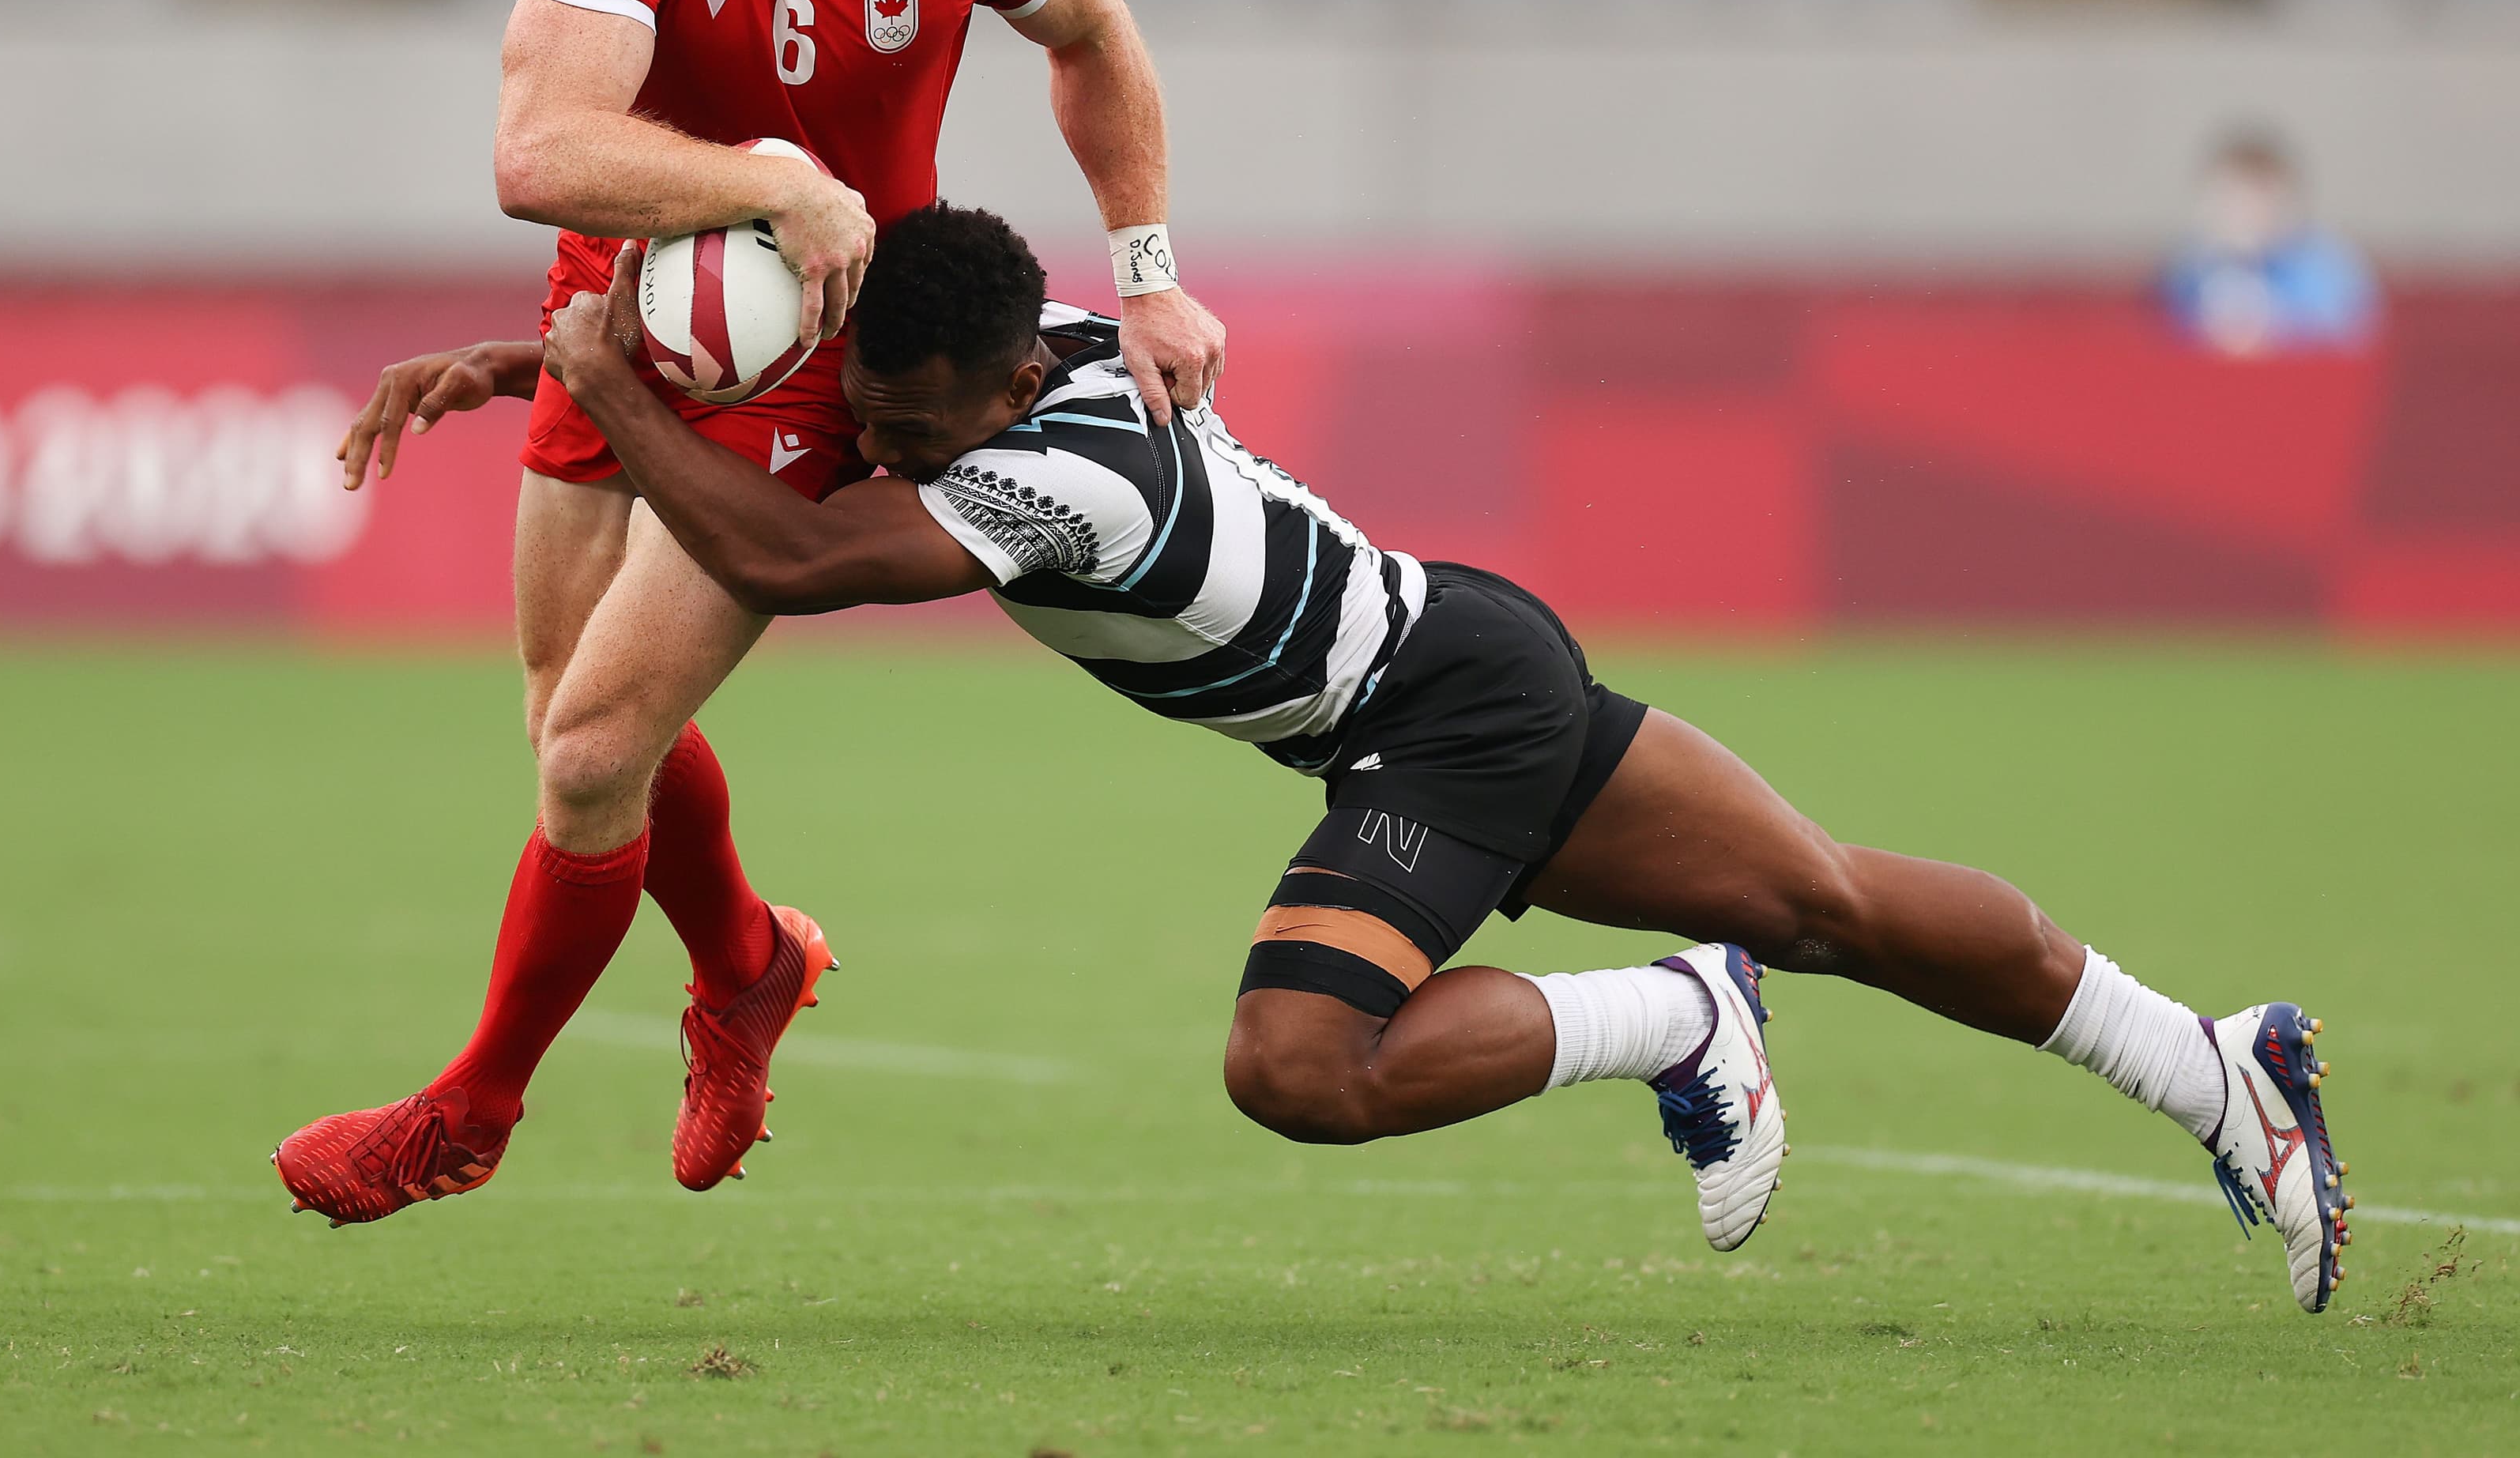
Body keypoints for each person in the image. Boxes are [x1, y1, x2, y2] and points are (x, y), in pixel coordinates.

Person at [416, 203, 2347, 1313]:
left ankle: (1674, 1020)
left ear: (1006, 386)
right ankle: (2213, 1061)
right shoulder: (1019, 345)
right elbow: (803, 429)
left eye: (920, 424)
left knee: (1296, 1066)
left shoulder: (1053, 468)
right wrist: (547, 370)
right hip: (1458, 652)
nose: (895, 446)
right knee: (1828, 896)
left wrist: (597, 382)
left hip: (1425, 716)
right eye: (882, 418)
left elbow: (782, 549)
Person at [273, 0, 1226, 1225]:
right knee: (569, 722)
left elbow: (1094, 35)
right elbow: (538, 152)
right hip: (629, 304)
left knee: (589, 754)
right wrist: (774, 180)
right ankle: (748, 956)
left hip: (827, 345)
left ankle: (469, 1108)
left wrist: (1148, 271)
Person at [2160, 129, 2379, 356]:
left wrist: (2275, 325)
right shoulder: (2192, 266)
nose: (2245, 218)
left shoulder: (2327, 264)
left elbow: (2351, 331)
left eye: (2257, 204)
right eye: (2231, 205)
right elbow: (2171, 331)